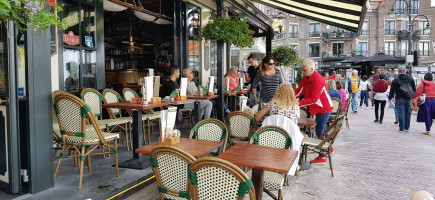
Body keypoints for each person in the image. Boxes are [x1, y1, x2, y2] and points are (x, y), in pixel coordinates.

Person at [295, 59, 333, 164]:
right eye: (302, 70)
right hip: (317, 107)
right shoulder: (306, 77)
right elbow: (300, 90)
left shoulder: (318, 80)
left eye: (305, 70)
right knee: (321, 129)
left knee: (320, 130)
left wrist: (297, 103)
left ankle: (323, 155)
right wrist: (290, 98)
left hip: (324, 107)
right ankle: (328, 148)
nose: (303, 72)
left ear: (312, 69)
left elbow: (314, 99)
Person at [388, 66, 416, 132]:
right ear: (406, 71)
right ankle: (407, 128)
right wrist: (413, 97)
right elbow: (414, 89)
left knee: (401, 113)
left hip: (399, 98)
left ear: (398, 71)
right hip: (408, 98)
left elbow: (392, 90)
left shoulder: (395, 80)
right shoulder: (410, 78)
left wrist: (390, 97)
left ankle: (401, 128)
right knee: (408, 113)